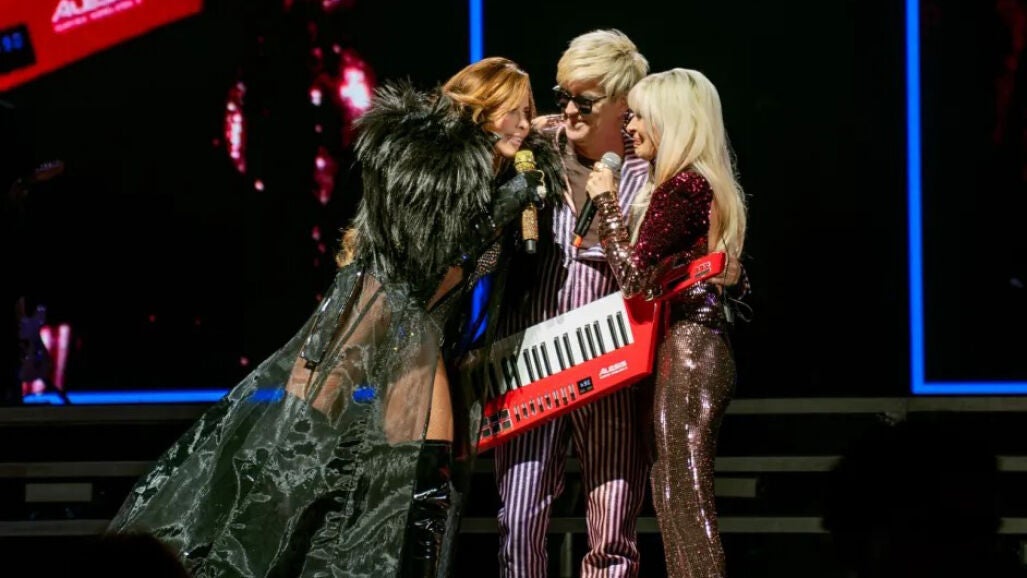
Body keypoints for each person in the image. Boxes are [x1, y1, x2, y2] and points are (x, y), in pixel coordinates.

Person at [108, 57, 564, 577]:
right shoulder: (426, 166)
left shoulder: (512, 177)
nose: (523, 122)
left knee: (423, 480)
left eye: (528, 110)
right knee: (296, 454)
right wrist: (507, 201)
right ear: (479, 110)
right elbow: (434, 255)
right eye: (511, 110)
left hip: (422, 332)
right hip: (368, 318)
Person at [491, 29, 653, 578]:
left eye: (584, 101)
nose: (568, 110)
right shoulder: (535, 148)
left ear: (624, 102)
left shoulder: (646, 166)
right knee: (518, 519)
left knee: (613, 526)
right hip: (531, 358)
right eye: (563, 96)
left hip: (612, 364)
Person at [585, 67, 747, 577]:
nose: (630, 127)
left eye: (639, 116)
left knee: (683, 497)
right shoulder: (700, 184)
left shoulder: (683, 186)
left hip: (689, 347)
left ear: (671, 120)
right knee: (677, 493)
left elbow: (633, 277)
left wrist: (606, 201)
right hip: (697, 345)